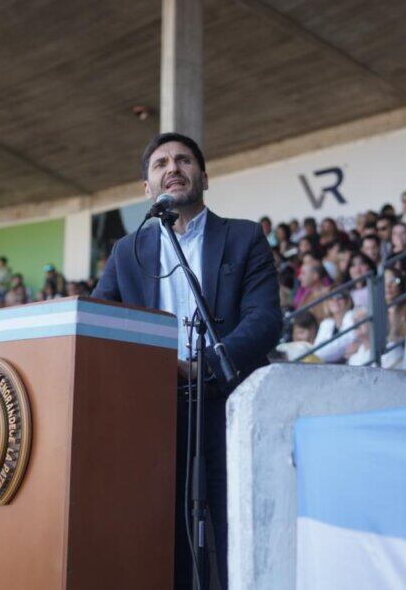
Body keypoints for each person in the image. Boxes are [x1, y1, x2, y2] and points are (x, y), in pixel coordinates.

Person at [92, 132, 281, 589]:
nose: (171, 168)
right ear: (146, 188)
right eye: (159, 164)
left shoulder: (243, 237)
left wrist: (206, 364)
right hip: (155, 414)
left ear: (204, 177)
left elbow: (264, 320)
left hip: (226, 405)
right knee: (164, 538)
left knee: (232, 531)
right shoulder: (126, 252)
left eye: (182, 160)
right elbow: (97, 323)